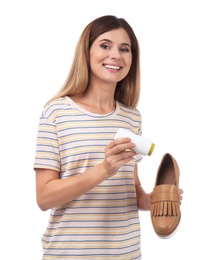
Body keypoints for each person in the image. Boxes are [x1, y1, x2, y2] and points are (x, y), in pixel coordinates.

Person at [34, 15, 183, 260]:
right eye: (105, 45)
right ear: (87, 51)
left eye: (124, 49)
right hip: (70, 254)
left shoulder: (131, 118)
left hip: (126, 253)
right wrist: (104, 168)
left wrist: (151, 200)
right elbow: (44, 198)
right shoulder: (56, 112)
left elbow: (130, 190)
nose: (116, 55)